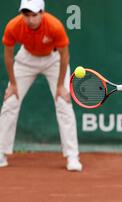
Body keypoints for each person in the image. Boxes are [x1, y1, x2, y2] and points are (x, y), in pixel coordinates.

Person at [0, 0, 82, 171]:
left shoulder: (55, 26)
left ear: (42, 13)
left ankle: (72, 156)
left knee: (64, 103)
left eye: (34, 15)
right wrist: (13, 84)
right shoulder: (14, 26)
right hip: (26, 59)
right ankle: (1, 153)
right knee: (10, 102)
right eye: (26, 15)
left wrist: (61, 86)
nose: (30, 19)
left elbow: (64, 56)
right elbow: (8, 56)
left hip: (54, 61)